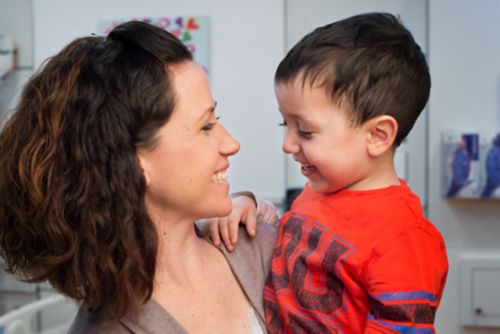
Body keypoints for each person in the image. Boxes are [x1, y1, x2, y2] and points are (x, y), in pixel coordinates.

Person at [0, 20, 277, 333]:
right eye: (206, 127)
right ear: (133, 162)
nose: (232, 144)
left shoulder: (262, 246)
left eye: (217, 118)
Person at [212, 12, 448, 333]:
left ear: (377, 136)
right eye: (286, 124)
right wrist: (256, 209)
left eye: (305, 131)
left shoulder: (404, 241)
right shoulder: (320, 190)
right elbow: (302, 245)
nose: (287, 144)